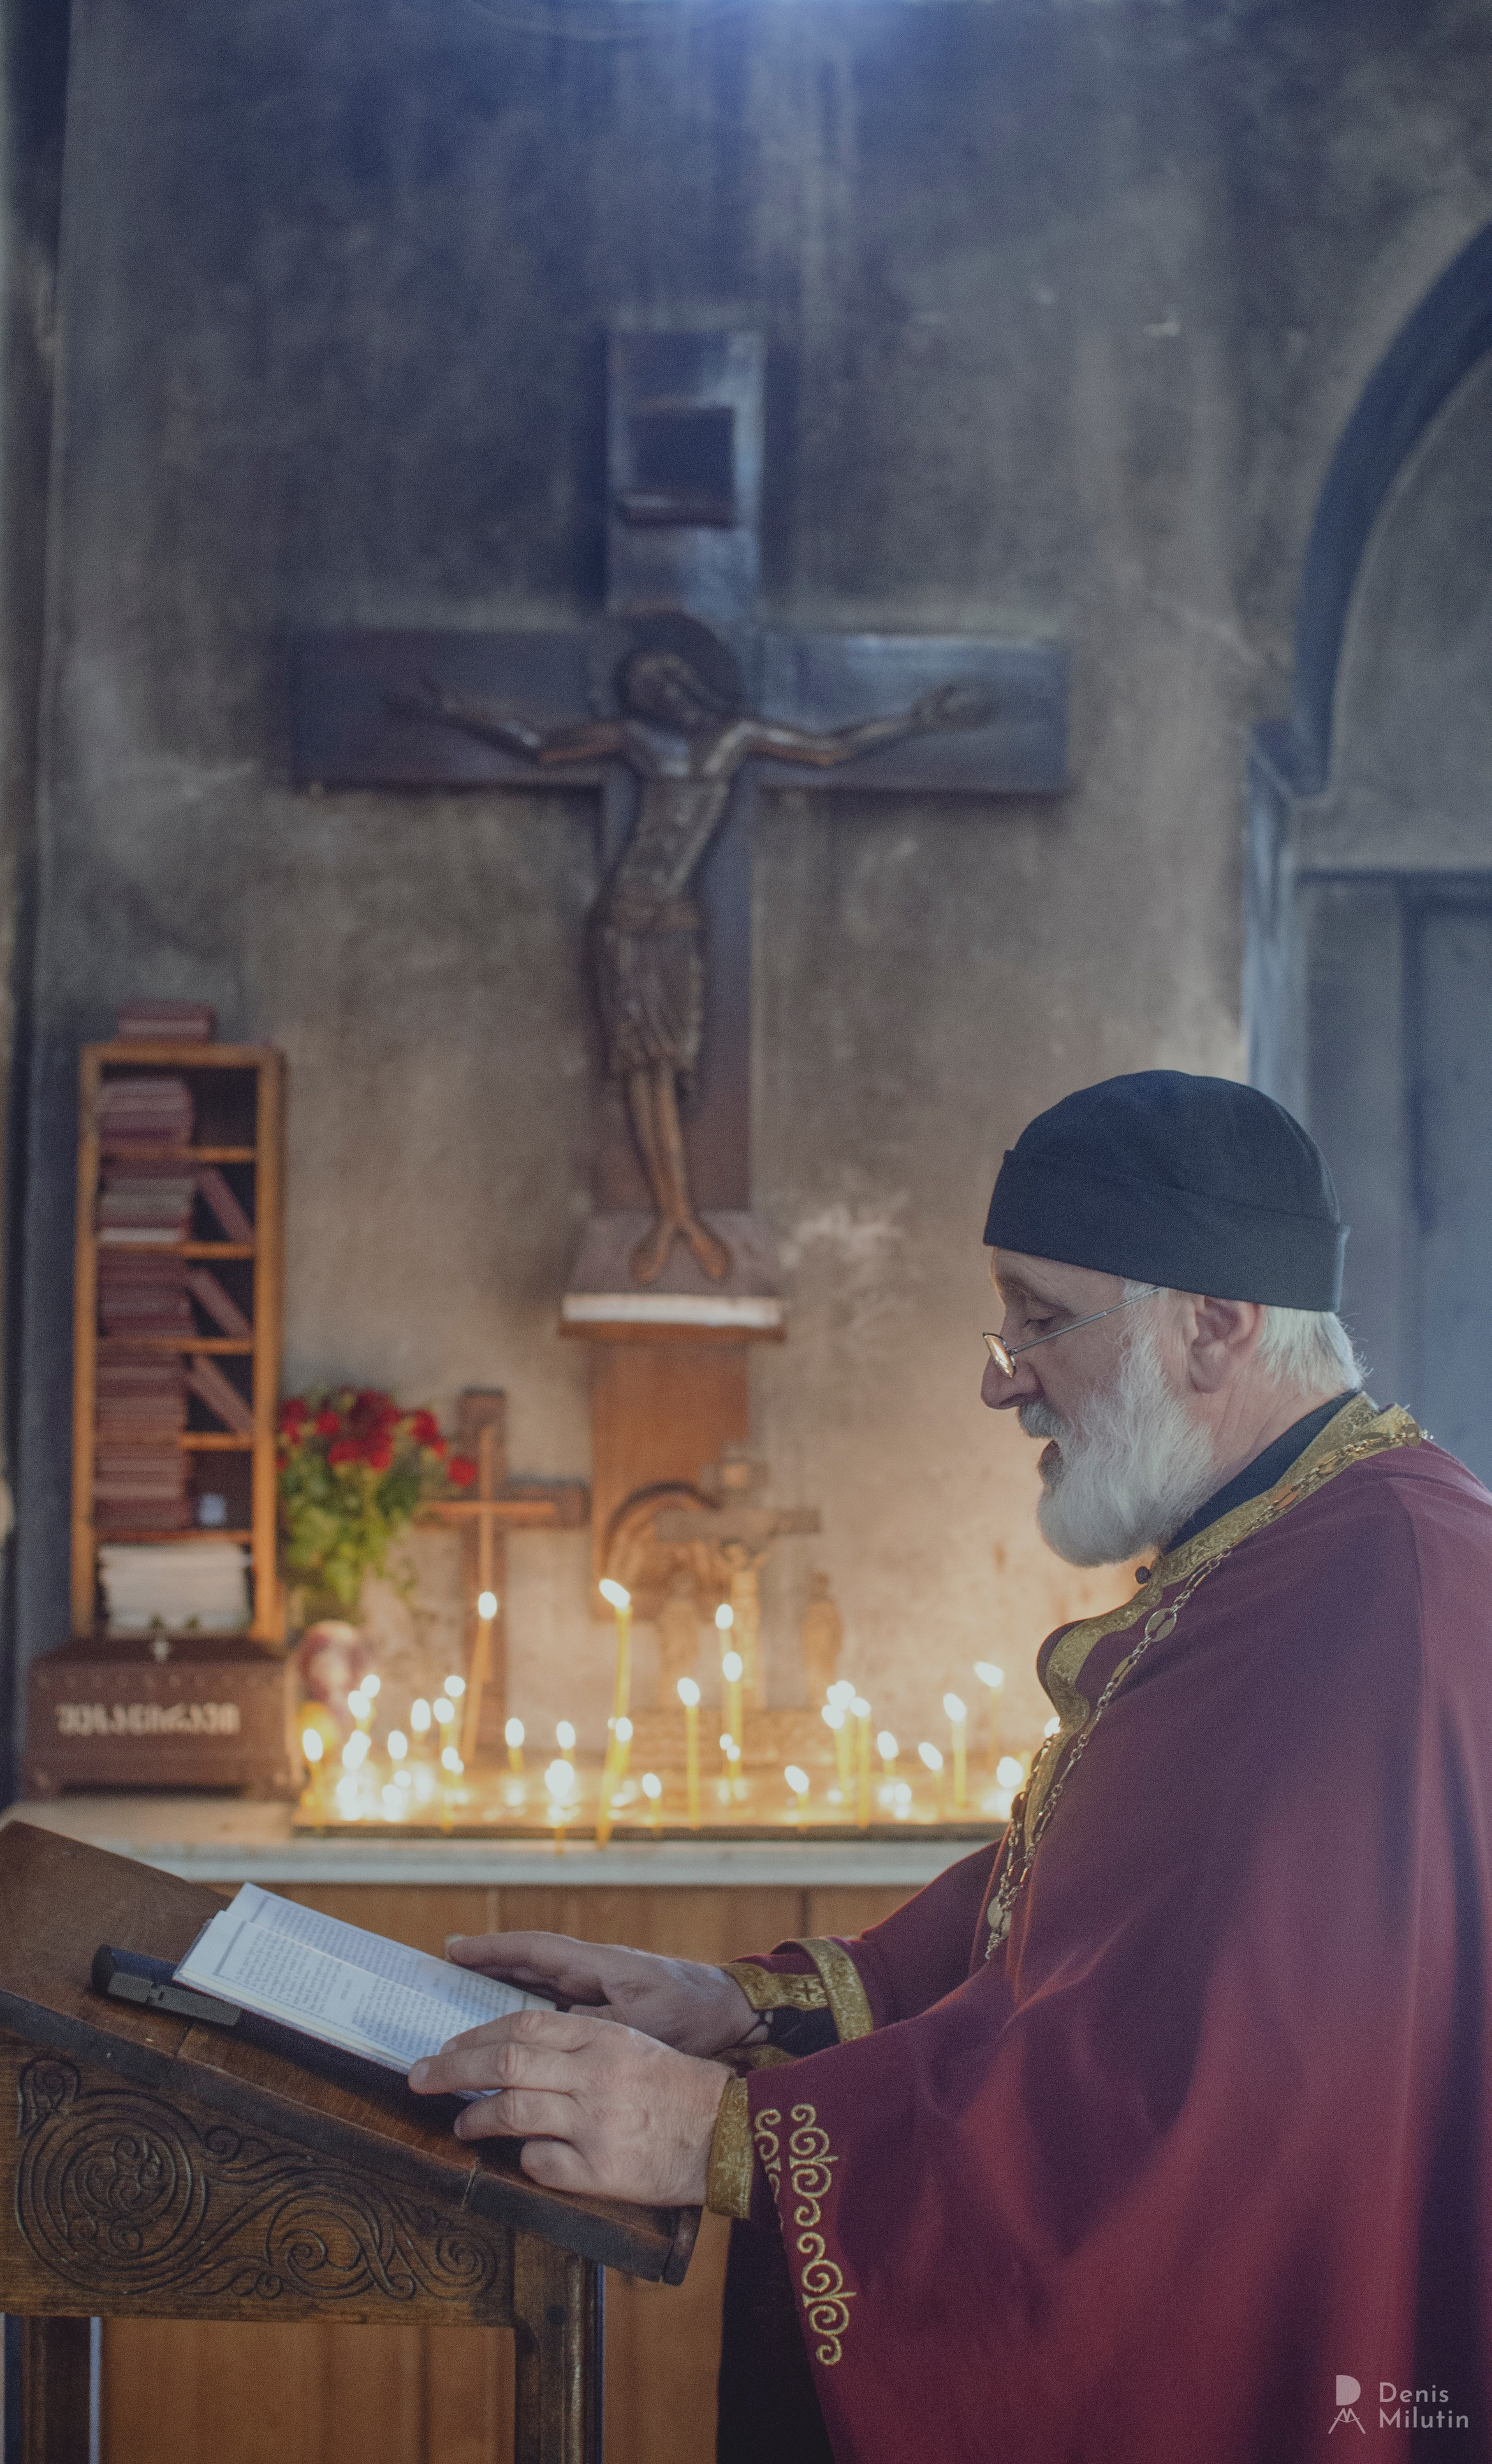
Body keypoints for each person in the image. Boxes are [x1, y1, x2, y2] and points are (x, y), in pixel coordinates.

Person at [408, 1072, 1492, 2460]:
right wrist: (737, 2010)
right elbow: (1109, 1918)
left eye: (1040, 1316)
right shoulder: (1290, 1547)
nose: (998, 1375)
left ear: (1215, 1326)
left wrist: (724, 2135)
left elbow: (1199, 2111)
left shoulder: (1380, 1594)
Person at [399, 613, 990, 1285]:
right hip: (624, 918)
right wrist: (454, 709)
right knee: (640, 1070)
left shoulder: (734, 734)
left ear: (687, 681)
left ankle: (677, 1215)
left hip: (676, 920)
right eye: (643, 689)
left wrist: (918, 720)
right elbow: (539, 745)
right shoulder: (633, 737)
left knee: (672, 1064)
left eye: (664, 682)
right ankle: (674, 1216)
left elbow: (828, 749)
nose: (659, 696)